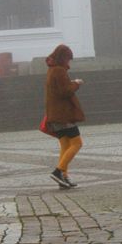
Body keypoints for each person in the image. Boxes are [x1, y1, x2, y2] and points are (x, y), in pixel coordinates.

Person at [44, 43, 84, 188]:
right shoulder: (59, 71)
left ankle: (64, 177)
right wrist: (77, 83)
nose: (69, 62)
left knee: (66, 145)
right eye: (68, 59)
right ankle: (58, 172)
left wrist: (70, 83)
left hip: (55, 115)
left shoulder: (52, 70)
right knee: (77, 143)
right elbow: (65, 91)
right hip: (63, 115)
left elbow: (59, 89)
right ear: (63, 58)